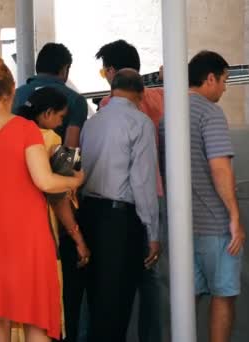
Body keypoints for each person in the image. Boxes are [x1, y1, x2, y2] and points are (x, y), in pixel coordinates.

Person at [0, 58, 84, 342]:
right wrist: (75, 180)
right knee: (34, 318)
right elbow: (45, 181)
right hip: (27, 235)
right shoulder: (26, 130)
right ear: (12, 90)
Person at [160, 50, 245, 342]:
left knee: (187, 299)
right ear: (210, 78)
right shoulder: (210, 113)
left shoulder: (167, 117)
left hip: (180, 226)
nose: (224, 88)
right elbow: (220, 167)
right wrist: (234, 216)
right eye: (224, 80)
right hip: (214, 224)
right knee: (223, 295)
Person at [80, 69, 160, 342]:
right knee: (118, 301)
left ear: (112, 91)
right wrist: (152, 232)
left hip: (89, 215)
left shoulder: (92, 123)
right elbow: (143, 182)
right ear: (141, 94)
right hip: (120, 220)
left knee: (97, 298)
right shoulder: (140, 123)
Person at [95, 39, 167, 342]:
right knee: (151, 279)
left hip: (120, 205)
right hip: (158, 196)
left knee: (115, 282)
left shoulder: (106, 109)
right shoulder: (163, 97)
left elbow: (137, 176)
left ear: (112, 72)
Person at [17, 87, 91, 342]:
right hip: (40, 235)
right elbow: (58, 198)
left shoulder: (8, 132)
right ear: (47, 113)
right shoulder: (49, 139)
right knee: (40, 308)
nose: (61, 124)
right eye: (60, 117)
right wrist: (78, 237)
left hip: (5, 234)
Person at [12, 43, 88, 147]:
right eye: (61, 117)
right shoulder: (76, 100)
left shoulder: (14, 96)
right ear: (64, 69)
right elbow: (70, 149)